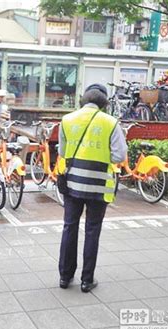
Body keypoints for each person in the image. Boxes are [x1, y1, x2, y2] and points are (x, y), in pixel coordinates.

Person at [58, 83, 127, 292]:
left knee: (70, 226)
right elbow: (119, 156)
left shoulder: (67, 120)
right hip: (99, 186)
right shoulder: (111, 123)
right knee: (92, 231)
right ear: (104, 103)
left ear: (84, 99)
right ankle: (87, 280)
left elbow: (62, 152)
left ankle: (64, 277)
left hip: (72, 184)